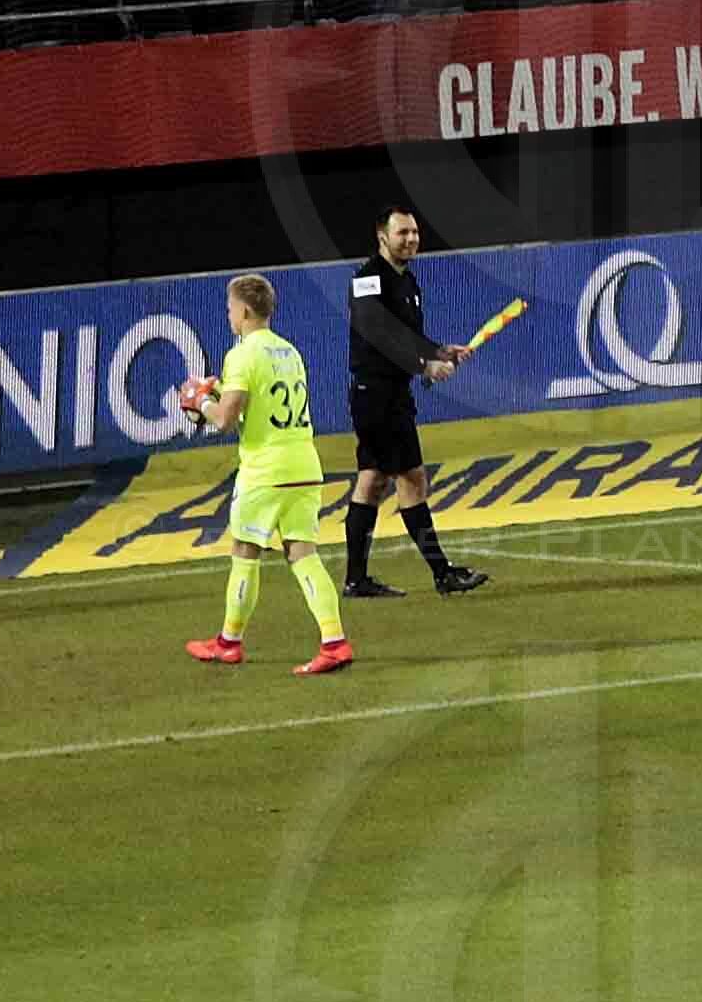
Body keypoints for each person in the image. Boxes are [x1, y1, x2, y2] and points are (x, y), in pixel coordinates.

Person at [170, 273, 353, 677]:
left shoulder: (243, 354)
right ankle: (334, 642)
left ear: (245, 310)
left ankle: (228, 643)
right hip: (304, 464)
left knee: (245, 552)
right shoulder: (289, 351)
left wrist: (200, 400)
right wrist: (218, 397)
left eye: (230, 308)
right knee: (303, 554)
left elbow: (225, 420)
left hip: (265, 470)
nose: (228, 315)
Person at [336, 206, 492, 599]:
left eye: (415, 233)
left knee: (371, 482)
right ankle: (442, 574)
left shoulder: (407, 281)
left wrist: (439, 350)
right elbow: (378, 334)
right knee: (412, 479)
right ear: (381, 236)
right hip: (379, 396)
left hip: (387, 395)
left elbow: (404, 335)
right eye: (402, 232)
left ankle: (356, 580)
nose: (410, 239)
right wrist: (424, 365)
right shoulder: (369, 279)